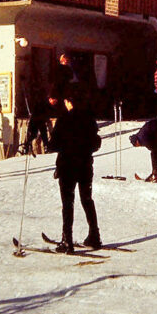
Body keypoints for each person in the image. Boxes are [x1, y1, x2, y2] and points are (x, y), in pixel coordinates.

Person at [48, 93, 102, 253]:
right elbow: (96, 142)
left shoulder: (64, 119)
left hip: (67, 165)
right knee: (87, 199)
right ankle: (94, 235)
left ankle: (67, 240)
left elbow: (53, 144)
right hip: (85, 165)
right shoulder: (89, 119)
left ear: (69, 102)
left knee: (67, 203)